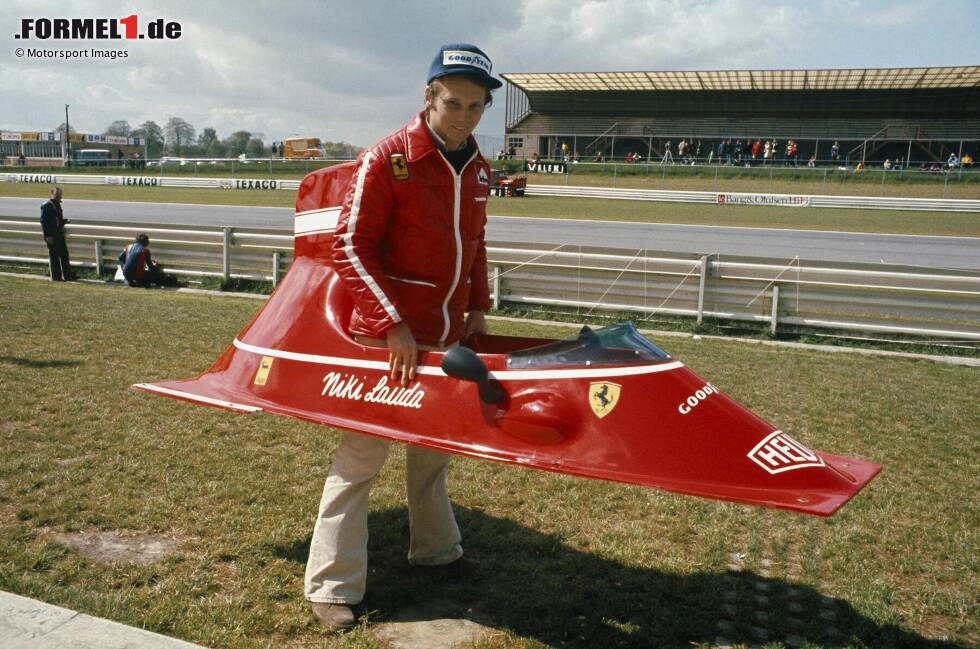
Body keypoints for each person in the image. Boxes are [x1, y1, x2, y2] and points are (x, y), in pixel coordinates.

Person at [305, 42, 500, 632]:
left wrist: (476, 309)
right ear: (428, 97)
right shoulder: (386, 159)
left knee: (433, 456)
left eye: (475, 106)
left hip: (444, 339)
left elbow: (475, 247)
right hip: (388, 344)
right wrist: (392, 325)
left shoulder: (477, 167)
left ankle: (437, 554)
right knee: (361, 459)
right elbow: (348, 247)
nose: (463, 116)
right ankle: (331, 583)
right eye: (453, 103)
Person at [39, 187, 75, 281]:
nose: (59, 196)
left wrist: (64, 221)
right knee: (54, 256)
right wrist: (47, 236)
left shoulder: (58, 204)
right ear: (51, 194)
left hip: (59, 234)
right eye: (57, 194)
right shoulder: (47, 205)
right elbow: (44, 222)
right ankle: (56, 277)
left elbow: (57, 220)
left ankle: (67, 276)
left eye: (60, 194)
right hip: (51, 235)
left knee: (64, 254)